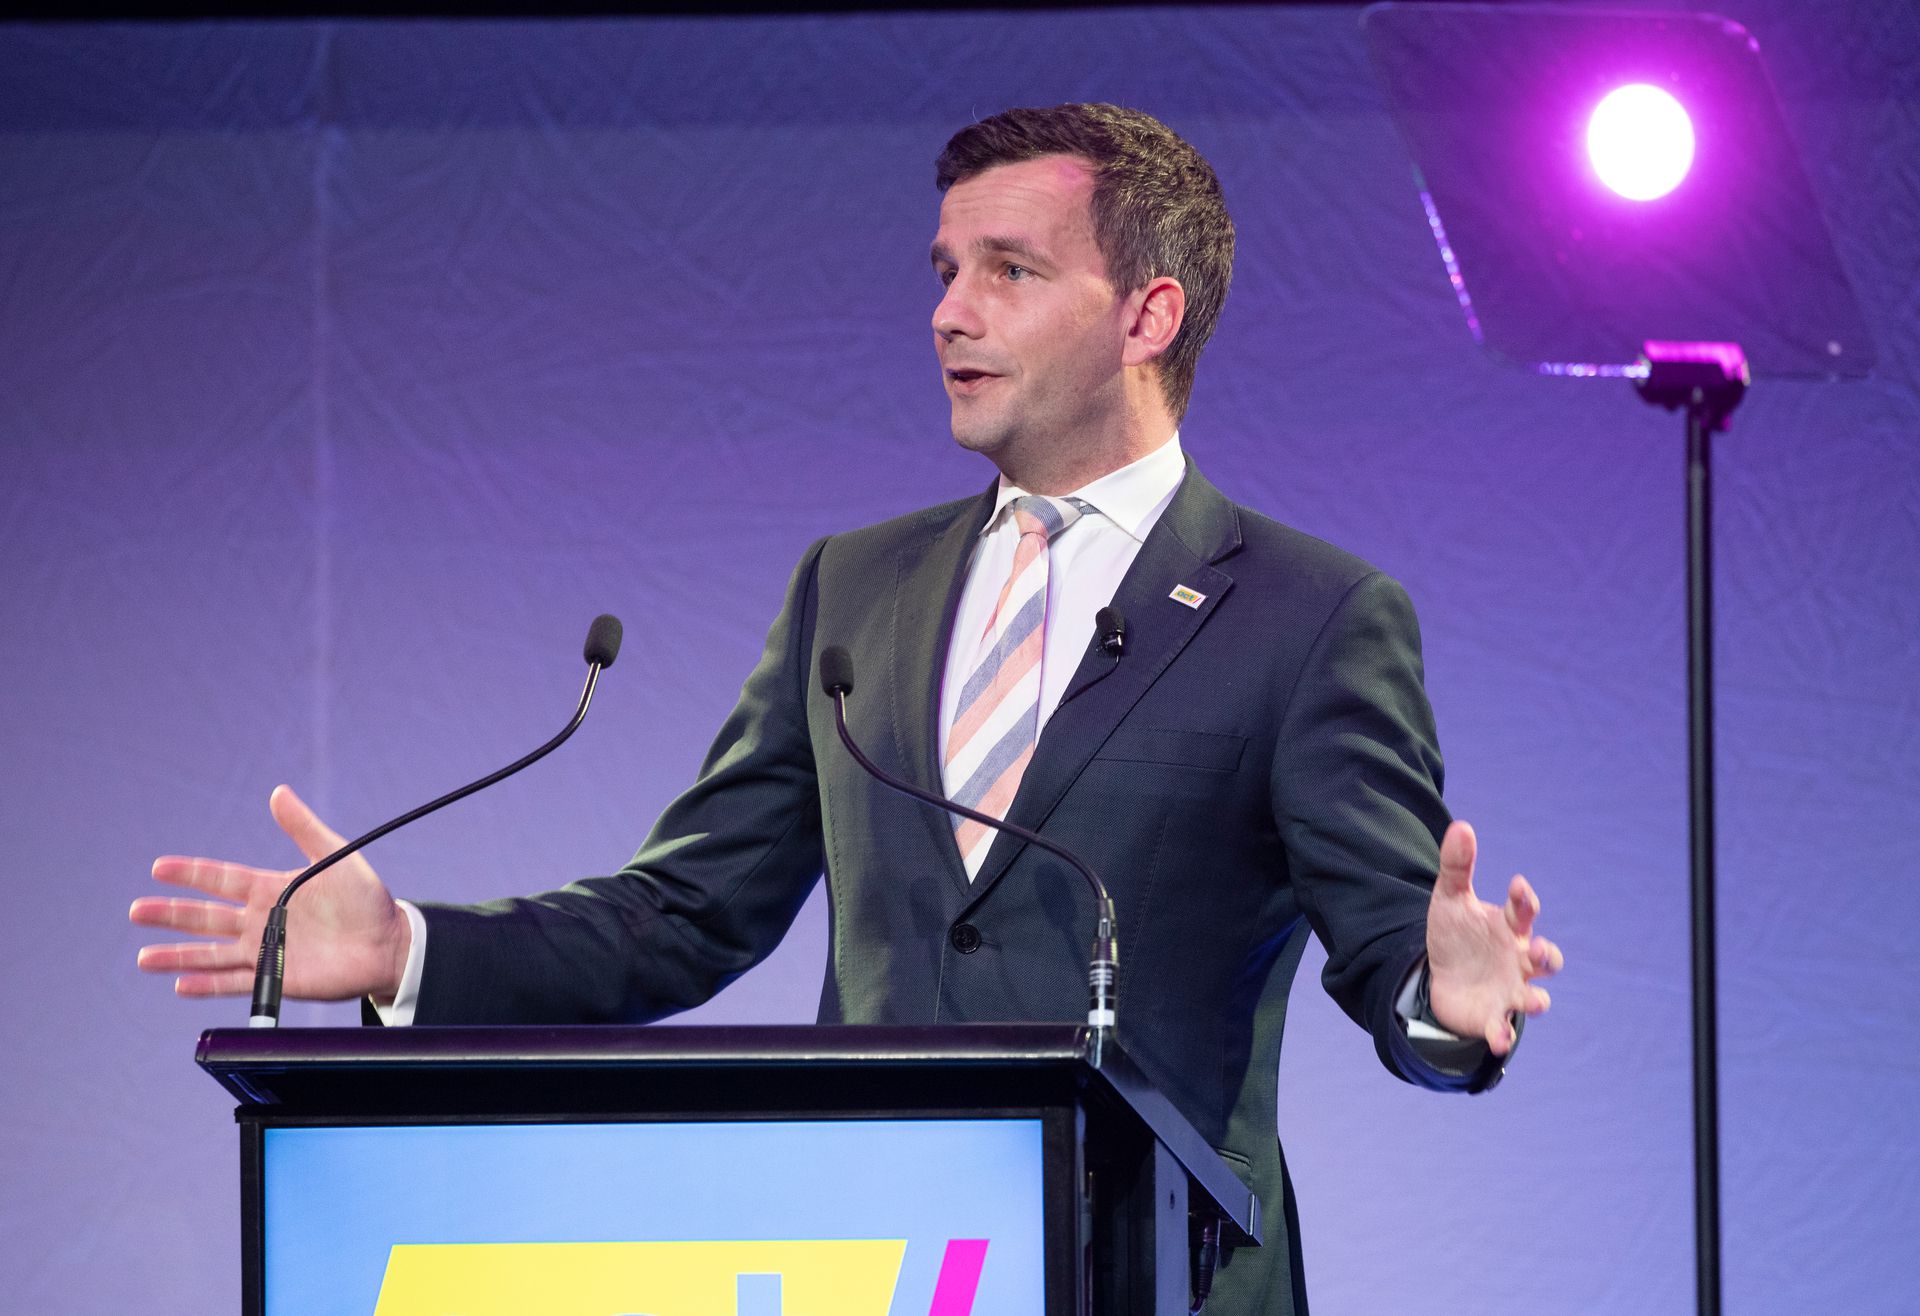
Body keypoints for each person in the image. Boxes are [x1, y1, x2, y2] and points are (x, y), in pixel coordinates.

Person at [132, 103, 1561, 1315]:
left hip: (1160, 1279)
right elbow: (684, 914)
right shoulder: (855, 588)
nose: (949, 311)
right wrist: (412, 950)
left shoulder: (1308, 615)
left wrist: (1449, 1004)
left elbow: (1398, 948)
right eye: (945, 269)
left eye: (1009, 269)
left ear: (1149, 315)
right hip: (878, 1264)